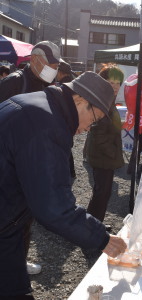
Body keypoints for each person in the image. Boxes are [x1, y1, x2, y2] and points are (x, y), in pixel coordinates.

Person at [0, 71, 127, 299]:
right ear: (80, 100)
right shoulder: (47, 125)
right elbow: (53, 207)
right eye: (94, 120)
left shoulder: (35, 102)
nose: (89, 128)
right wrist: (102, 238)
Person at [0, 40, 60, 275]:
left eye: (56, 65)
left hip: (33, 164)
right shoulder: (15, 82)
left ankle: (18, 263)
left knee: (25, 219)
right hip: (9, 166)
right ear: (35, 60)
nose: (54, 69)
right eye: (50, 64)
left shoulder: (49, 86)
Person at [85, 66, 125, 223]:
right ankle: (91, 230)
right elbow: (98, 134)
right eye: (110, 82)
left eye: (117, 83)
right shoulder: (101, 101)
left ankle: (94, 225)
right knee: (101, 194)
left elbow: (107, 126)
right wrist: (113, 152)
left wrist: (120, 125)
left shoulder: (109, 100)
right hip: (102, 157)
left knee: (102, 194)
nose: (114, 86)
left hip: (104, 157)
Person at [56, 59, 77, 179]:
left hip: (64, 121)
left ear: (60, 72)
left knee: (64, 148)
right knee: (67, 148)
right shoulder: (72, 83)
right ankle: (71, 172)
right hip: (70, 121)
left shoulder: (63, 85)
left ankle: (68, 173)